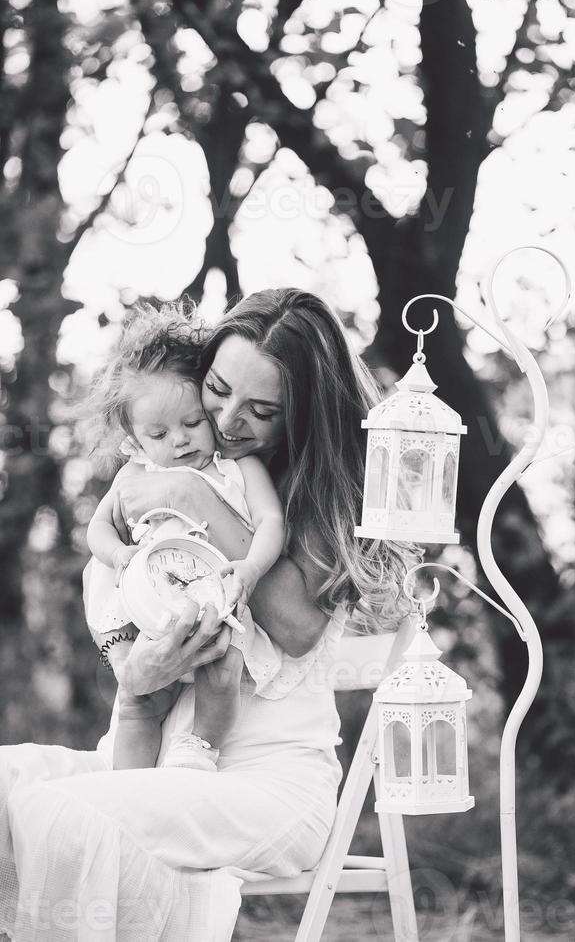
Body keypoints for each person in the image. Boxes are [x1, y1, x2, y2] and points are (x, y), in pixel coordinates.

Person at [0, 289, 413, 942]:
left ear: (302, 414)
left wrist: (193, 495)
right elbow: (114, 612)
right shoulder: (157, 467)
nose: (225, 419)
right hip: (144, 762)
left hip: (266, 787)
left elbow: (297, 628)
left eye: (261, 410)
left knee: (63, 815)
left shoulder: (310, 499)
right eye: (216, 389)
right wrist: (131, 668)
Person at [84, 303, 285, 773]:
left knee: (224, 670)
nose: (179, 441)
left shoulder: (238, 468)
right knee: (139, 701)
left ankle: (199, 751)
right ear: (135, 439)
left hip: (219, 601)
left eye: (193, 423)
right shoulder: (135, 474)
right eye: (159, 433)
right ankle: (130, 787)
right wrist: (119, 555)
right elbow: (97, 528)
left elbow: (272, 520)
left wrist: (253, 566)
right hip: (150, 607)